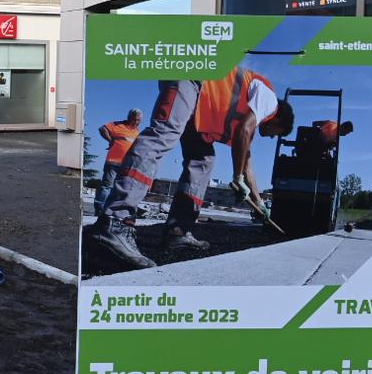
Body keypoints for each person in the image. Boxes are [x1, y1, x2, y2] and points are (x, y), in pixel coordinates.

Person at [91, 67, 294, 268]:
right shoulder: (270, 102)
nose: (272, 136)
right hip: (191, 77)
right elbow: (244, 131)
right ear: (279, 119)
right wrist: (237, 176)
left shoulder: (253, 114)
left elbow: (246, 160)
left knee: (203, 160)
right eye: (278, 133)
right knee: (164, 134)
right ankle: (115, 221)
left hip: (200, 103)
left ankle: (178, 231)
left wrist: (258, 202)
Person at [93, 108, 143, 215]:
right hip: (113, 162)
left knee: (120, 188)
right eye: (134, 119)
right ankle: (99, 208)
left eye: (138, 120)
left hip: (127, 165)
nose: (136, 122)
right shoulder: (118, 125)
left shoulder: (137, 132)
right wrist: (110, 140)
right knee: (107, 185)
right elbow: (102, 129)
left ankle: (111, 210)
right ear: (129, 118)